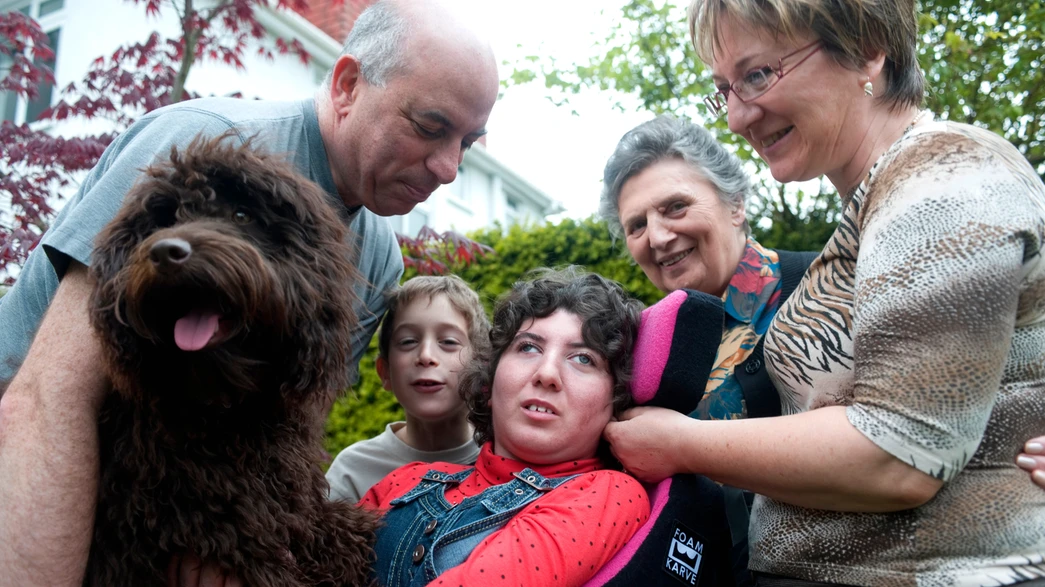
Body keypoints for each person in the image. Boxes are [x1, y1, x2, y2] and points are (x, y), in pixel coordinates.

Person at [0, 1, 499, 585]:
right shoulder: (206, 146)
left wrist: (239, 540)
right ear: (347, 85)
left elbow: (285, 424)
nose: (447, 168)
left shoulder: (377, 256)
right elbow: (44, 400)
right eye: (431, 127)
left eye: (467, 143)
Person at [603, 0, 1045, 584]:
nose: (735, 117)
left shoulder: (946, 176)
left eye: (757, 74)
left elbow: (897, 454)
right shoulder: (880, 202)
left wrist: (683, 443)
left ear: (864, 47)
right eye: (726, 90)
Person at [599, 113, 816, 586]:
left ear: (735, 204)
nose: (657, 236)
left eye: (675, 206)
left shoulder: (823, 289)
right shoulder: (633, 350)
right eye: (636, 225)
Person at [360, 267, 650, 587]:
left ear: (615, 400)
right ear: (489, 386)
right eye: (528, 347)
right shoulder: (405, 480)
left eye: (583, 358)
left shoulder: (611, 493)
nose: (547, 373)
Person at [326, 274, 489, 503]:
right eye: (408, 341)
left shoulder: (503, 460)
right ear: (384, 372)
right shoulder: (352, 473)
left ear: (479, 367)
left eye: (449, 342)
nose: (426, 356)